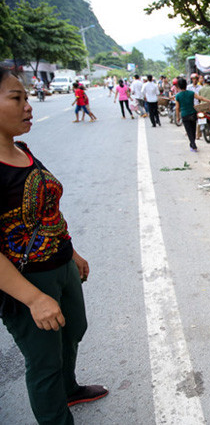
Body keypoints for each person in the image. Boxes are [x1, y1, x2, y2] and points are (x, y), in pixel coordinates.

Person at [0, 67, 108, 425]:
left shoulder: (23, 150)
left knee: (73, 330)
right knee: (43, 362)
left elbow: (48, 211)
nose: (28, 106)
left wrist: (71, 252)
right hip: (27, 283)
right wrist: (33, 298)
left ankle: (70, 388)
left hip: (61, 267)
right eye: (16, 98)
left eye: (27, 98)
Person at [174, 77, 210, 152]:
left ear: (179, 86)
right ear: (186, 85)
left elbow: (177, 108)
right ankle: (193, 144)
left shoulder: (178, 96)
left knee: (188, 131)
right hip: (193, 114)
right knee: (193, 130)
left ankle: (193, 145)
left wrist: (178, 117)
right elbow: (201, 98)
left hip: (184, 115)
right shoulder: (191, 93)